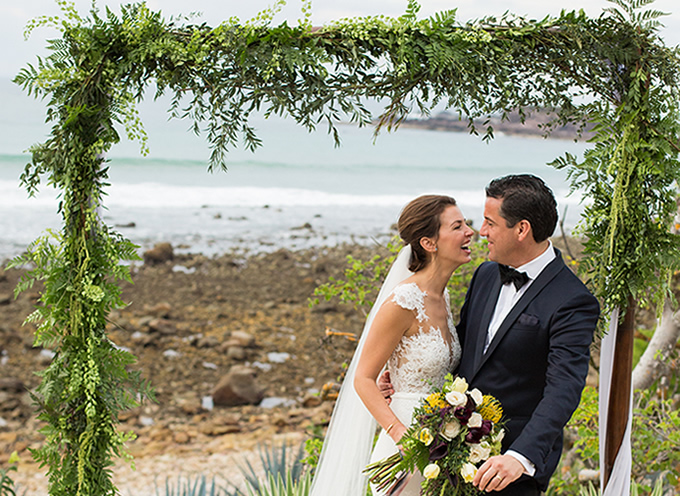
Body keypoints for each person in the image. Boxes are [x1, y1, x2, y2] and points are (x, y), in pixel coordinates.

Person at [381, 174, 600, 495]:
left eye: (489, 222)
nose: (480, 232)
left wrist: (520, 456)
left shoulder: (573, 300)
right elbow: (464, 347)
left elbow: (564, 388)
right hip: (452, 454)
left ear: (522, 229)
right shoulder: (485, 274)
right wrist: (405, 373)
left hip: (511, 470)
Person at [309, 194, 475, 496]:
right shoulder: (403, 301)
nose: (470, 232)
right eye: (457, 226)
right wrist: (404, 439)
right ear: (429, 243)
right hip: (404, 452)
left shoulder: (443, 298)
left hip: (441, 448)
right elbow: (362, 378)